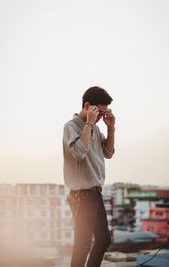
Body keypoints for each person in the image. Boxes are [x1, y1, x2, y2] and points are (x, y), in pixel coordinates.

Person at [62, 86, 115, 267]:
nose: (101, 117)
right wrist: (90, 124)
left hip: (95, 193)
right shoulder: (71, 127)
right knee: (82, 245)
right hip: (82, 195)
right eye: (99, 113)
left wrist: (111, 128)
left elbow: (108, 153)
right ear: (87, 106)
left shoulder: (97, 129)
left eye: (103, 114)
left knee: (103, 239)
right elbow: (78, 152)